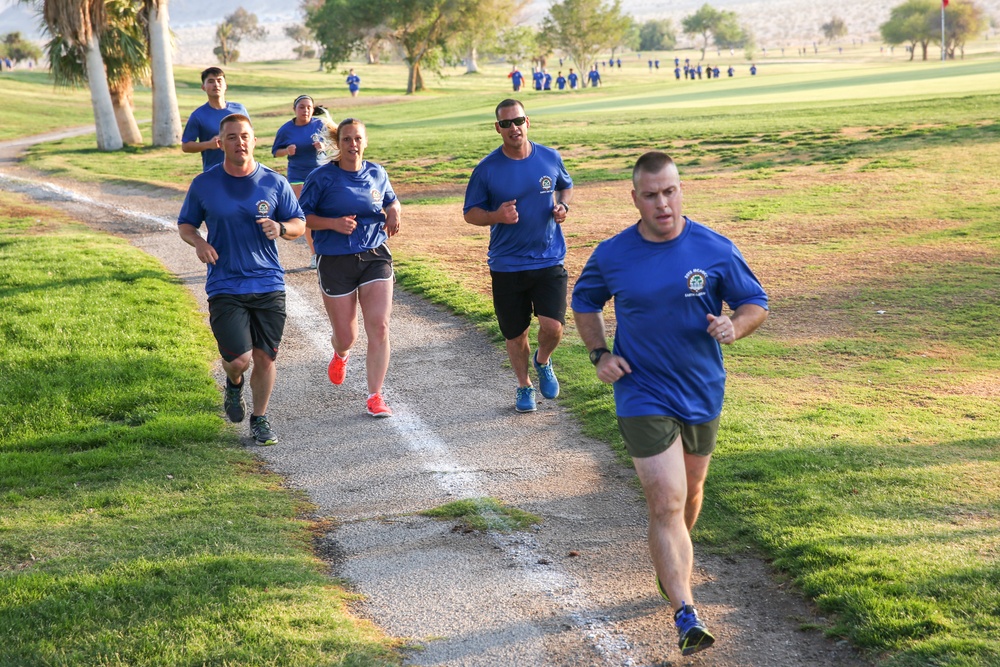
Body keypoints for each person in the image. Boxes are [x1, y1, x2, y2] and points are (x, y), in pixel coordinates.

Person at [571, 152, 768, 657]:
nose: (663, 203)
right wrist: (600, 354)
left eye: (671, 191)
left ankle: (670, 568)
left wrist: (734, 325)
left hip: (702, 388)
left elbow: (755, 304)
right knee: (666, 501)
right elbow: (585, 300)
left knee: (691, 493)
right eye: (652, 195)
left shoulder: (715, 249)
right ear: (635, 198)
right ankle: (685, 611)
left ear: (681, 190)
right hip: (642, 391)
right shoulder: (614, 253)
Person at [177, 114, 307, 446]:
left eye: (245, 135)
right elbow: (186, 226)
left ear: (254, 139)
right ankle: (233, 384)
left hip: (268, 282)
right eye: (232, 137)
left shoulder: (273, 182)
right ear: (220, 143)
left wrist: (280, 228)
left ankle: (260, 419)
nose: (240, 142)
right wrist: (200, 243)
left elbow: (298, 223)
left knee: (265, 357)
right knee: (239, 359)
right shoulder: (204, 183)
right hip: (225, 283)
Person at [463, 99, 573, 413]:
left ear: (528, 122)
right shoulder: (486, 169)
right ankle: (524, 385)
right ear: (497, 128)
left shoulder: (550, 157)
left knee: (553, 327)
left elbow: (565, 186)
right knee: (516, 333)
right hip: (507, 264)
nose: (514, 128)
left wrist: (563, 206)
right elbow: (470, 213)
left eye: (518, 121)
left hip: (549, 258)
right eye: (506, 123)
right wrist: (496, 215)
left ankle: (543, 360)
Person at [299, 118, 402, 418]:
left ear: (365, 142)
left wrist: (394, 212)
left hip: (374, 255)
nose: (352, 145)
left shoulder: (376, 173)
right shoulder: (321, 178)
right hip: (334, 259)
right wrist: (333, 223)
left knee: (379, 326)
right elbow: (301, 216)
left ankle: (375, 396)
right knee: (347, 336)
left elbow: (392, 200)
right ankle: (341, 353)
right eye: (346, 139)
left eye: (357, 139)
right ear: (338, 143)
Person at [272, 94, 331, 269]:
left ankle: (328, 250)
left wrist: (323, 147)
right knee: (307, 215)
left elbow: (333, 144)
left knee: (326, 212)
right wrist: (287, 151)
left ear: (313, 109)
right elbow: (276, 152)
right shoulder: (286, 129)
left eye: (308, 107)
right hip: (298, 176)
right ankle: (315, 254)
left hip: (320, 174)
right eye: (301, 107)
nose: (305, 110)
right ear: (294, 109)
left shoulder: (320, 125)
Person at [182, 67, 249, 172]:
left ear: (225, 86)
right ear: (203, 87)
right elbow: (186, 146)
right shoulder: (198, 115)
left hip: (243, 171)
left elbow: (249, 137)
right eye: (211, 81)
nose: (216, 85)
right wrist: (208, 144)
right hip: (214, 172)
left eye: (219, 81)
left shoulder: (240, 109)